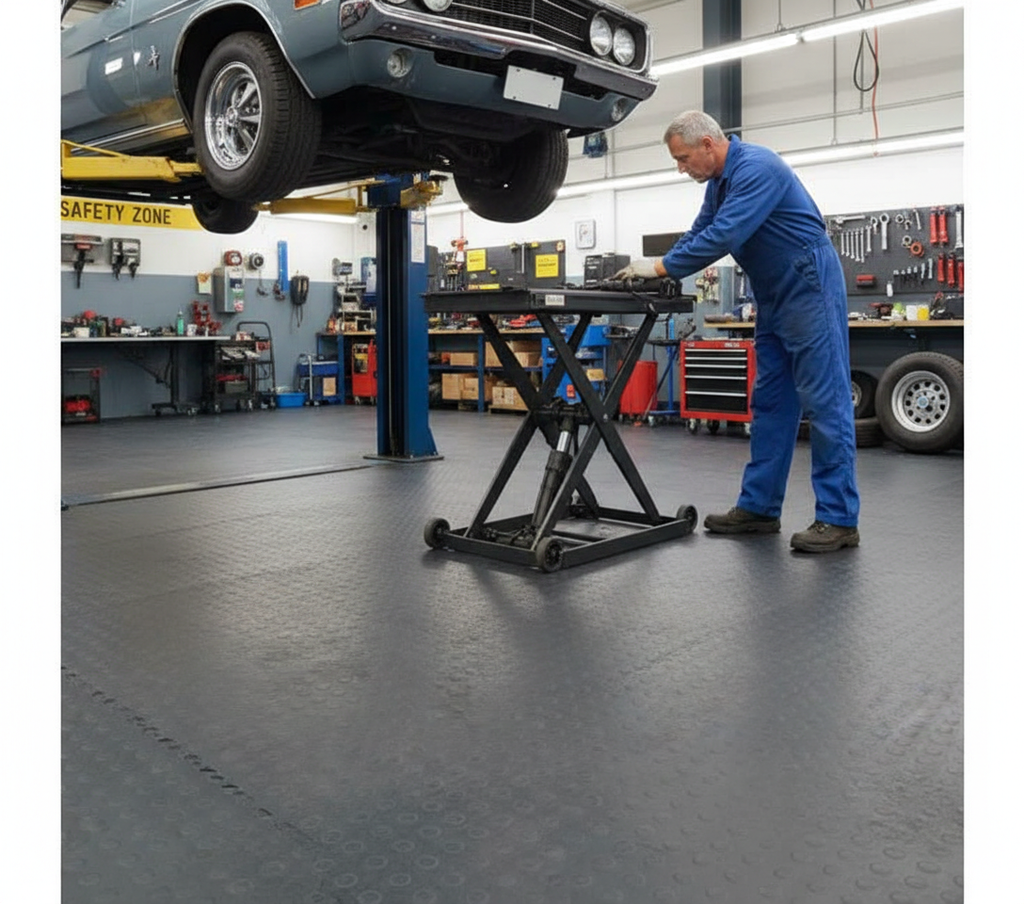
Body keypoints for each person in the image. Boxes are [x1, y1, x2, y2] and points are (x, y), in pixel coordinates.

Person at [615, 110, 859, 553]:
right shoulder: (718, 183)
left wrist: (661, 266)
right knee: (770, 402)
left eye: (683, 158)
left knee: (825, 401)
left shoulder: (759, 167)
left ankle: (839, 519)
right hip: (772, 293)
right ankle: (760, 508)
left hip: (808, 285)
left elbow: (726, 234)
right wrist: (658, 269)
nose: (681, 168)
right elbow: (701, 230)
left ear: (708, 144)